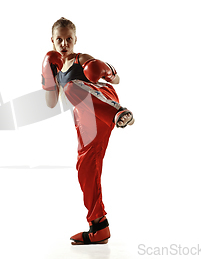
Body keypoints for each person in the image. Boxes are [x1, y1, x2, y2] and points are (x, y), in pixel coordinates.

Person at [41, 17, 135, 245]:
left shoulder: (81, 59)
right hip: (85, 119)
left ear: (75, 40)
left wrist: (105, 69)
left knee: (73, 86)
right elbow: (51, 103)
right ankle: (98, 226)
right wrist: (47, 75)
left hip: (105, 103)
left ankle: (118, 113)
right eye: (59, 40)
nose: (64, 44)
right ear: (52, 41)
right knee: (85, 168)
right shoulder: (55, 66)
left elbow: (117, 79)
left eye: (69, 39)